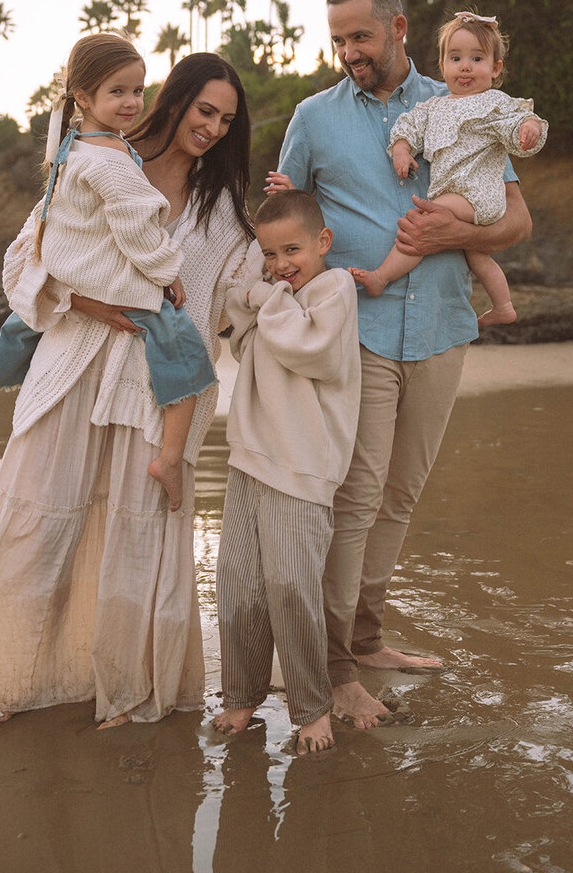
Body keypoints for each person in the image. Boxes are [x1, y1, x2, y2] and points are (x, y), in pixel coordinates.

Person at [0, 48, 253, 729]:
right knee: (37, 527)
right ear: (173, 102)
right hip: (71, 366)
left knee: (136, 542)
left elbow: (221, 306)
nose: (214, 127)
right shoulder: (99, 159)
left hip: (150, 388)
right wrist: (79, 299)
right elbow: (29, 254)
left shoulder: (221, 207)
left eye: (227, 119)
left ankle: (128, 693)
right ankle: (9, 682)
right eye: (204, 110)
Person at [266, 0, 532, 729]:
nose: (349, 50)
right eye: (338, 38)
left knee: (402, 494)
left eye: (360, 35)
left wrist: (459, 233)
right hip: (362, 328)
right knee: (358, 494)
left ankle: (368, 637)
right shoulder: (314, 118)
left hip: (445, 325)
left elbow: (514, 219)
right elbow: (286, 223)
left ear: (397, 27)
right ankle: (334, 668)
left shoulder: (459, 103)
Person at [0, 32, 217, 511]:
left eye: (138, 90)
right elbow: (139, 231)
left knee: (24, 326)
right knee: (188, 357)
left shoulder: (70, 149)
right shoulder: (112, 161)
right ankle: (170, 459)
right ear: (83, 97)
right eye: (118, 92)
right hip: (108, 281)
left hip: (64, 272)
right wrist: (167, 272)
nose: (133, 102)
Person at [212, 191, 360, 754]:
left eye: (292, 250)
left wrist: (260, 293)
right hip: (249, 456)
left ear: (323, 243)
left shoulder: (333, 288)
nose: (279, 265)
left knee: (291, 587)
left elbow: (312, 349)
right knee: (240, 585)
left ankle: (312, 708)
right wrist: (260, 289)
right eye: (269, 253)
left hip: (302, 465)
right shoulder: (276, 295)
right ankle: (241, 695)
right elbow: (242, 329)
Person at [349, 11, 547, 325]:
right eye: (455, 58)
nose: (465, 66)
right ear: (442, 66)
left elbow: (520, 119)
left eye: (477, 59)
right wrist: (401, 150)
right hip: (459, 195)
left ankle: (381, 276)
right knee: (477, 254)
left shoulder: (493, 103)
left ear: (495, 69)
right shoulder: (434, 106)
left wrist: (529, 129)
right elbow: (408, 127)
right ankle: (504, 305)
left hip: (477, 194)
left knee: (421, 225)